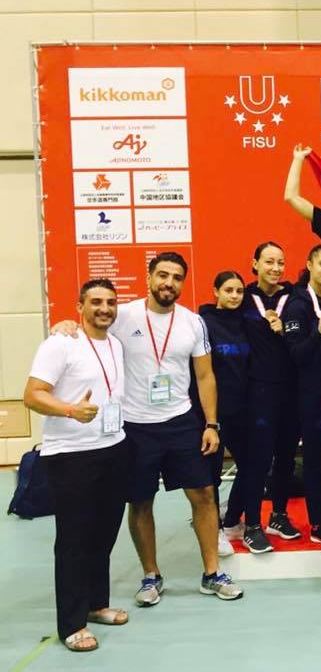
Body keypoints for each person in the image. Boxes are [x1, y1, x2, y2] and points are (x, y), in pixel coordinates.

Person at [51, 253, 243, 605]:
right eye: (163, 275)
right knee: (140, 501)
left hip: (182, 421)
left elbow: (205, 376)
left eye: (177, 277)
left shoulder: (193, 323)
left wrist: (211, 424)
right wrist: (66, 325)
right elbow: (90, 328)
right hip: (135, 426)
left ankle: (212, 573)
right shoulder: (123, 315)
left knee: (204, 494)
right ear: (149, 277)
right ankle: (151, 576)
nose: (169, 283)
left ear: (183, 283)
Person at [24, 279, 131, 652]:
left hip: (113, 447)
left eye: (111, 302)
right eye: (96, 302)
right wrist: (70, 409)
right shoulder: (60, 343)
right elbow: (32, 395)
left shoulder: (115, 343)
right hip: (71, 454)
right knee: (74, 540)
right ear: (79, 306)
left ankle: (96, 604)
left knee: (103, 535)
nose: (105, 308)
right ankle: (72, 624)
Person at [281, 245, 321, 545]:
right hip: (309, 391)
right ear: (309, 265)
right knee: (317, 457)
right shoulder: (297, 305)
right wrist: (317, 332)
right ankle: (318, 522)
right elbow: (295, 354)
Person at [238, 242, 302, 554]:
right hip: (259, 387)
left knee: (287, 455)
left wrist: (285, 330)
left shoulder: (294, 297)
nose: (275, 268)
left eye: (280, 262)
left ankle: (278, 515)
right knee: (259, 458)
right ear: (255, 264)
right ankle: (252, 524)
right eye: (269, 262)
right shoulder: (244, 298)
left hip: (292, 386)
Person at [196, 271, 250, 558]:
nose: (234, 296)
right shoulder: (201, 323)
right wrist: (209, 420)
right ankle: (214, 529)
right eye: (228, 290)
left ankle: (231, 521)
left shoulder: (246, 322)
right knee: (212, 476)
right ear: (216, 291)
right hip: (212, 414)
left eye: (239, 291)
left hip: (242, 410)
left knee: (252, 467)